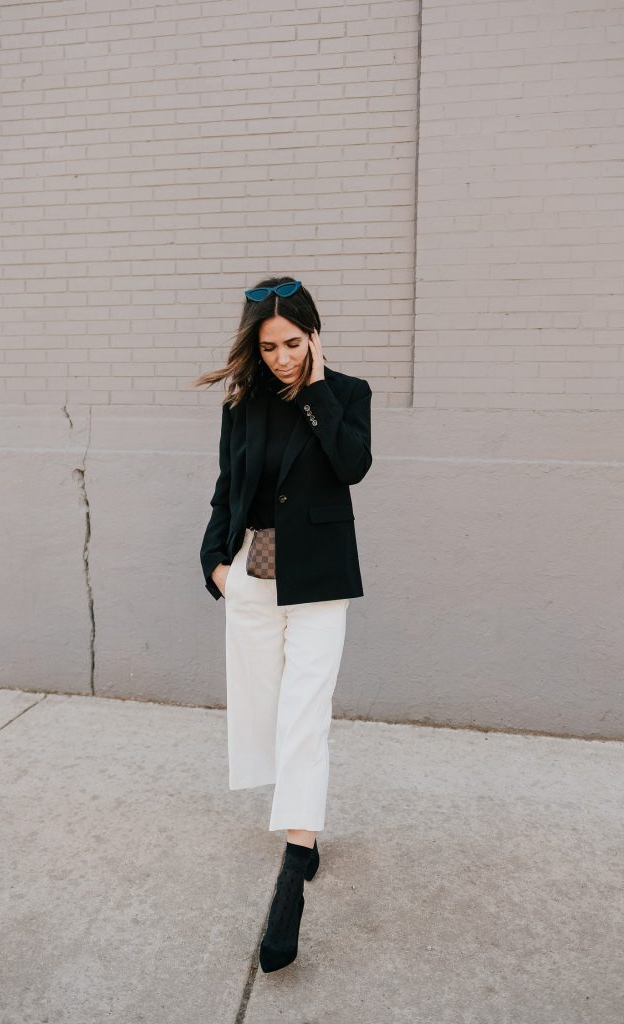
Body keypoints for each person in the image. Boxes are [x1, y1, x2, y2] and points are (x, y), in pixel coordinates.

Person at [194, 277, 373, 973]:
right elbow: (225, 487)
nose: (280, 358)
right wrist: (213, 562)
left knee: (305, 714)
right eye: (267, 346)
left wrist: (319, 388)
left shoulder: (346, 393)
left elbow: (351, 465)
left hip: (319, 582)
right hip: (250, 579)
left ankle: (293, 868)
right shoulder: (242, 401)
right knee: (266, 715)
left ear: (313, 335)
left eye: (292, 344)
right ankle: (301, 823)